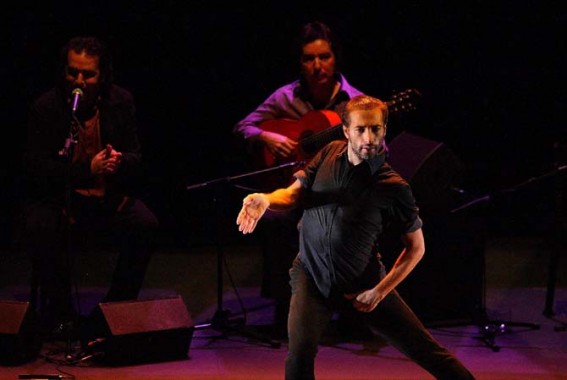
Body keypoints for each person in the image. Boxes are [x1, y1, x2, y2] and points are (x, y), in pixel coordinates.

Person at [236, 95, 475, 379]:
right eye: (360, 129)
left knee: (424, 349)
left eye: (375, 129)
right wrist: (265, 199)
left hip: (364, 283)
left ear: (384, 130)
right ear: (347, 130)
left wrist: (380, 291)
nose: (368, 137)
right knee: (298, 356)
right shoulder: (327, 154)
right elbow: (291, 195)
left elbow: (416, 248)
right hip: (311, 276)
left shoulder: (393, 186)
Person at [233, 21, 364, 337]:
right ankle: (284, 315)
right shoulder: (285, 97)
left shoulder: (356, 102)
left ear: (336, 58)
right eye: (309, 58)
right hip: (294, 188)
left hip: (336, 193)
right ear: (300, 63)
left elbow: (380, 150)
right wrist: (266, 137)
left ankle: (349, 315)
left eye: (324, 56)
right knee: (276, 221)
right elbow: (243, 126)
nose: (317, 66)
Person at [21, 36, 159, 337]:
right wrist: (87, 169)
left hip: (106, 199)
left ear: (103, 75)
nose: (79, 81)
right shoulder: (46, 107)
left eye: (88, 74)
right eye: (73, 72)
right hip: (61, 200)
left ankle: (112, 312)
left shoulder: (121, 101)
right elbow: (36, 169)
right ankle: (62, 316)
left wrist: (119, 161)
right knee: (38, 225)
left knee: (145, 223)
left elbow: (137, 156)